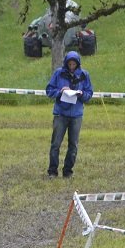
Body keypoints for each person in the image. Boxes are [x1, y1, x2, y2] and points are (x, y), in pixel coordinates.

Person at [45, 49, 93, 178]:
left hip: (76, 115)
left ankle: (67, 171)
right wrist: (60, 92)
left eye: (74, 64)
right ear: (66, 63)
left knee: (73, 145)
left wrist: (82, 94)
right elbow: (49, 90)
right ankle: (52, 171)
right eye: (69, 64)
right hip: (60, 114)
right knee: (55, 144)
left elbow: (89, 94)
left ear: (78, 64)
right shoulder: (58, 73)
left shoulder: (84, 75)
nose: (72, 66)